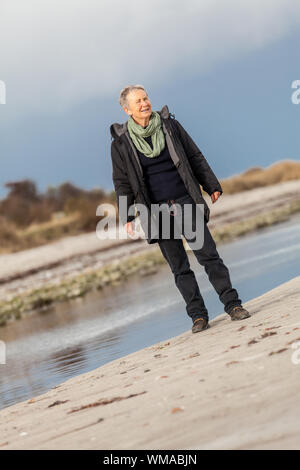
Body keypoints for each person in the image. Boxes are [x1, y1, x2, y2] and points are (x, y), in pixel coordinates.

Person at [110, 84, 251, 333]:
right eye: (138, 102)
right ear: (127, 110)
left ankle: (233, 305)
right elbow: (121, 181)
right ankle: (198, 316)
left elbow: (194, 155)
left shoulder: (169, 126)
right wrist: (127, 214)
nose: (145, 104)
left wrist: (211, 184)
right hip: (155, 212)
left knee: (209, 256)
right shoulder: (121, 144)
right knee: (179, 268)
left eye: (146, 98)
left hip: (184, 201)